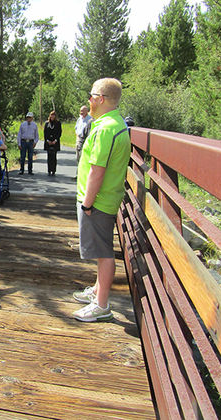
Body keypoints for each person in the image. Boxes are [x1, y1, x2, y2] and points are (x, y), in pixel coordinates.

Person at [72, 78, 131, 322]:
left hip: (97, 202)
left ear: (101, 99)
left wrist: (87, 203)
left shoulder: (105, 128)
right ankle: (97, 291)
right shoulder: (115, 123)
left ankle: (102, 305)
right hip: (105, 199)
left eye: (91, 95)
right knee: (100, 249)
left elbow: (97, 170)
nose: (89, 100)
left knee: (104, 253)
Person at [43, 110, 62, 176]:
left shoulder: (58, 123)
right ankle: (49, 170)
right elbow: (45, 133)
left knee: (54, 157)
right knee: (49, 157)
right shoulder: (46, 123)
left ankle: (53, 170)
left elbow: (59, 133)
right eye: (51, 115)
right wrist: (47, 140)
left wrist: (55, 140)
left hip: (55, 142)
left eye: (53, 115)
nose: (52, 116)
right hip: (48, 142)